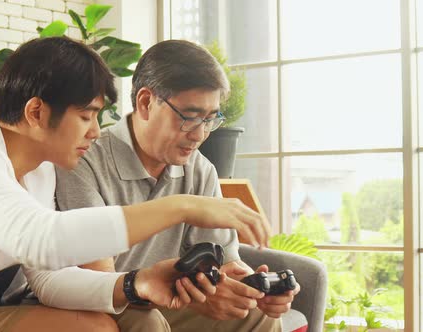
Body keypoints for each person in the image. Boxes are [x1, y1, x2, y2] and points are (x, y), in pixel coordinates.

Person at [0, 37, 268, 332]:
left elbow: (47, 278)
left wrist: (133, 284)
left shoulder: (41, 172)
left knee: (98, 327)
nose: (95, 131)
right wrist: (182, 206)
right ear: (36, 111)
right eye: (86, 116)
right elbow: (42, 240)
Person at [52, 39, 301, 332]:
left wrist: (249, 288)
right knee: (147, 322)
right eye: (190, 117)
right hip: (105, 303)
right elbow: (99, 280)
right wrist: (192, 298)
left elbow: (225, 265)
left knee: (257, 316)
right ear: (145, 102)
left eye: (210, 119)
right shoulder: (85, 159)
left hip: (166, 303)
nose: (199, 135)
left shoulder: (199, 169)